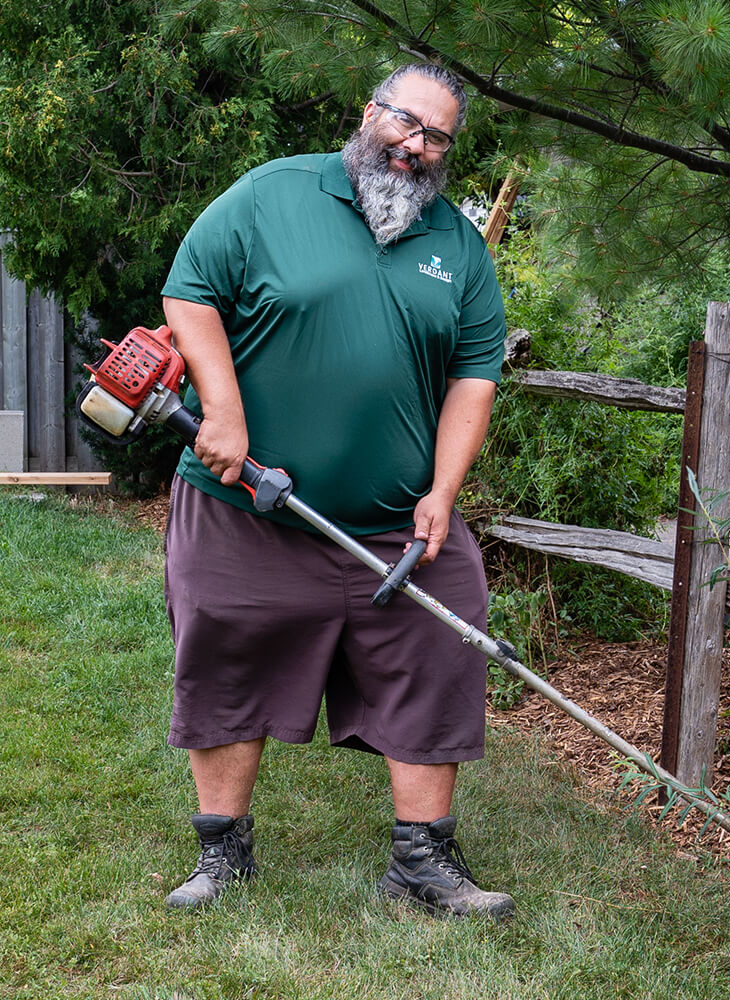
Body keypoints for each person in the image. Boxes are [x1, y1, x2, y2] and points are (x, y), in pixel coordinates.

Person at [159, 62, 512, 919]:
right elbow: (190, 293)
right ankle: (223, 854)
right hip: (246, 507)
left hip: (395, 525)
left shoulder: (457, 246)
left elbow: (474, 376)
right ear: (369, 112)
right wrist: (224, 410)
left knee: (441, 648)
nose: (415, 146)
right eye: (405, 121)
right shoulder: (271, 195)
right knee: (227, 659)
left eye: (436, 137)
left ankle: (422, 863)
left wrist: (443, 490)